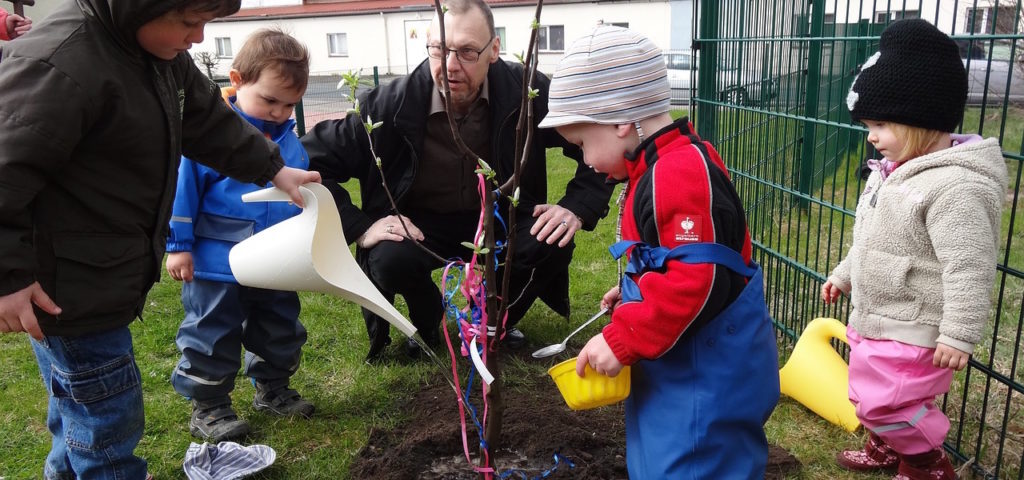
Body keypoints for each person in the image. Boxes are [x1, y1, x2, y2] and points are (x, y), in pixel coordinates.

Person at [0, 1, 320, 478]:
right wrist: (8, 276)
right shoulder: (58, 66)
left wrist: (272, 168)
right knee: (106, 424)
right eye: (190, 22)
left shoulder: (158, 54)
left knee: (79, 413)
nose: (197, 38)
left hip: (100, 268)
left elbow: (210, 123)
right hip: (66, 286)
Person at [301, 0, 613, 360]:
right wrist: (360, 225)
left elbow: (599, 139)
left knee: (551, 240)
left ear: (493, 50)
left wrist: (577, 206)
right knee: (387, 258)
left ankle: (492, 322)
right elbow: (304, 162)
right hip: (421, 224)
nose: (450, 66)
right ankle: (429, 319)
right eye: (439, 49)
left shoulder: (526, 94)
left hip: (500, 220)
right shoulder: (387, 106)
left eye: (466, 51)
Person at [538, 25, 780, 479]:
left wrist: (625, 336)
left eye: (583, 144)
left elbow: (698, 278)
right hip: (680, 368)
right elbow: (669, 259)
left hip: (705, 376)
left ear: (620, 122)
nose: (585, 160)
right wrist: (635, 294)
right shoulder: (656, 165)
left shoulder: (677, 173)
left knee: (695, 465)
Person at [822, 19, 1007, 480]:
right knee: (872, 391)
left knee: (891, 400)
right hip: (879, 312)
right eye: (868, 124)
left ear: (921, 120)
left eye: (881, 124)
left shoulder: (955, 188)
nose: (871, 135)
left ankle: (928, 463)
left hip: (916, 323)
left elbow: (969, 265)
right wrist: (845, 273)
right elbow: (871, 239)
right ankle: (886, 447)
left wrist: (959, 332)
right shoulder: (891, 170)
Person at [166, 28, 315, 443]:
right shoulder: (210, 139)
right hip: (217, 264)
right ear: (237, 80)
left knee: (280, 326)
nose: (279, 112)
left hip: (275, 263)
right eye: (270, 100)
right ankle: (209, 406)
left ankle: (273, 388)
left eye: (289, 105)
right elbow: (182, 193)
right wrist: (178, 247)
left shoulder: (289, 141)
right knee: (212, 332)